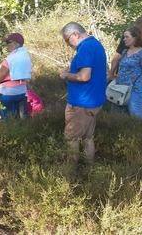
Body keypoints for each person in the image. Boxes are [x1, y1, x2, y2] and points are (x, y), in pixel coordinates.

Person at [59, 22, 107, 174]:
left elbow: (84, 76)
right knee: (87, 138)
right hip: (94, 101)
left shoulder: (85, 48)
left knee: (71, 139)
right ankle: (87, 172)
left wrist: (66, 75)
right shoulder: (96, 45)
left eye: (67, 40)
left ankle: (69, 175)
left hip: (81, 103)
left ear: (75, 34)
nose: (67, 44)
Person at [108, 27, 142, 119]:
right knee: (116, 115)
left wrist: (136, 81)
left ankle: (138, 133)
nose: (124, 39)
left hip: (136, 89)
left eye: (126, 37)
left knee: (135, 115)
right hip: (121, 89)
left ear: (135, 38)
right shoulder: (125, 52)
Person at [0, 33, 33, 120]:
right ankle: (19, 133)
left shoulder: (10, 58)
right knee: (18, 118)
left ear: (15, 44)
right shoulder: (25, 57)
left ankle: (7, 133)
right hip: (22, 91)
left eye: (8, 42)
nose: (7, 45)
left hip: (8, 93)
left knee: (8, 119)